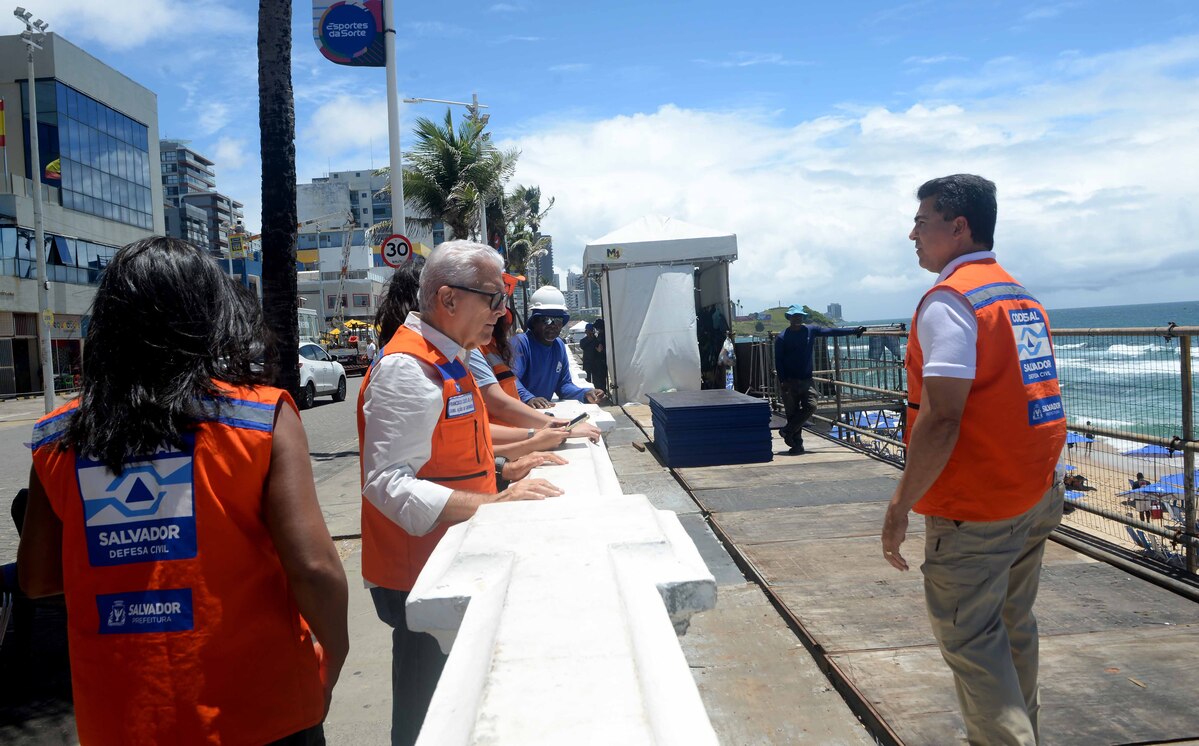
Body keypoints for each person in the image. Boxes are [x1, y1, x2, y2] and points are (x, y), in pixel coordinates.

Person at [18, 237, 349, 745]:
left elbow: (38, 579)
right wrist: (336, 652)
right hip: (262, 710)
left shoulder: (59, 437)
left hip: (123, 717)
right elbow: (313, 568)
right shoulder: (262, 417)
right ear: (210, 318)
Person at [880, 175, 1067, 744]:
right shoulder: (1018, 296)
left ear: (957, 227)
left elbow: (941, 418)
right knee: (1014, 630)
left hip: (977, 507)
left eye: (921, 221)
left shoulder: (950, 302)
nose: (912, 233)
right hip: (1035, 493)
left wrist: (899, 506)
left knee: (973, 645)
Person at [358, 240, 565, 745]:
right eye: (493, 298)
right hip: (420, 574)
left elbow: (452, 451)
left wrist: (504, 470)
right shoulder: (409, 369)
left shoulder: (449, 358)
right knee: (429, 716)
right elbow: (387, 483)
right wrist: (492, 503)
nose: (502, 311)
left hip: (449, 559)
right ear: (448, 300)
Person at [774, 305, 865, 454]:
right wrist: (783, 381)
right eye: (794, 316)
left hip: (806, 380)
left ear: (802, 317)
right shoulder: (782, 337)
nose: (797, 318)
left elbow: (831, 331)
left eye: (800, 316)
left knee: (811, 405)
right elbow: (779, 362)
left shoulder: (811, 330)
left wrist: (854, 331)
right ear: (789, 318)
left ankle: (787, 431)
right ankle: (797, 445)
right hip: (789, 382)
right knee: (792, 413)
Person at [511, 286, 605, 409]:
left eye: (558, 320)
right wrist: (529, 398)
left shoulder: (558, 345)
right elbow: (510, 380)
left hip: (543, 413)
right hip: (519, 413)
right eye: (547, 320)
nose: (553, 325)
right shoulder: (520, 343)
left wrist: (585, 393)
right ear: (534, 322)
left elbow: (563, 385)